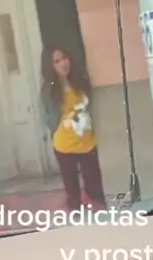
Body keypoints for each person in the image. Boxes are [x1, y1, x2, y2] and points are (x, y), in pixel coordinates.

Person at [40, 47, 106, 211]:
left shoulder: (82, 82)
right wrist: (57, 130)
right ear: (51, 66)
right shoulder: (49, 90)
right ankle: (76, 216)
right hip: (64, 145)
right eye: (57, 61)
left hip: (87, 142)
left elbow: (93, 107)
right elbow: (46, 115)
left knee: (94, 184)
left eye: (64, 58)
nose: (63, 63)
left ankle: (100, 214)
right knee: (72, 189)